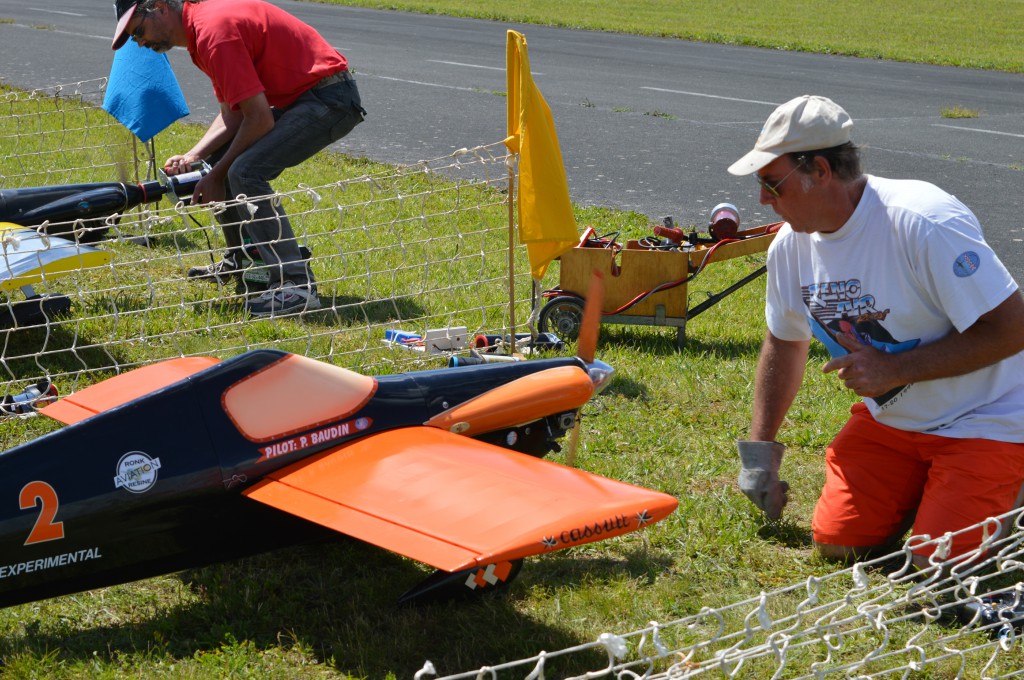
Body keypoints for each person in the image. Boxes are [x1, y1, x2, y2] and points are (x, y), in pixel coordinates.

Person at [728, 94, 1024, 566]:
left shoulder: (922, 219)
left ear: (820, 171)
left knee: (939, 564)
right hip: (893, 426)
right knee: (838, 545)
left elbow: (1012, 328)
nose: (763, 198)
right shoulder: (789, 246)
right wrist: (760, 451)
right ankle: (935, 492)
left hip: (988, 420)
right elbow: (784, 342)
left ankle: (1001, 485)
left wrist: (893, 368)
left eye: (772, 183)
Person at [111, 0, 366, 317]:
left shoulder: (214, 34)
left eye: (139, 31)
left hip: (330, 99)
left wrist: (216, 175)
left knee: (244, 172)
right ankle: (242, 262)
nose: (141, 43)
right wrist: (196, 155)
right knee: (219, 160)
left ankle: (297, 285)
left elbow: (259, 119)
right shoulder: (200, 36)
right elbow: (233, 115)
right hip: (306, 97)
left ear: (159, 7)